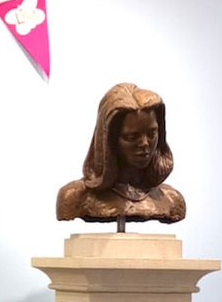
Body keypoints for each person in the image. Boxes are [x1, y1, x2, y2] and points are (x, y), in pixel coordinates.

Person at [56, 83, 185, 224]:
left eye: (152, 133)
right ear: (109, 140)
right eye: (132, 137)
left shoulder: (171, 200)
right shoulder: (75, 198)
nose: (145, 143)